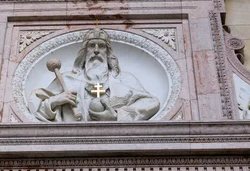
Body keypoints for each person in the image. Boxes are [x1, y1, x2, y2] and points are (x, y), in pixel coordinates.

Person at [30, 28, 160, 122]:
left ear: (108, 53)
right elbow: (37, 109)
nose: (96, 50)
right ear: (84, 53)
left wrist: (118, 116)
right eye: (91, 46)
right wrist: (56, 100)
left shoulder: (124, 79)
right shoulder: (67, 80)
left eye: (102, 46)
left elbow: (151, 103)